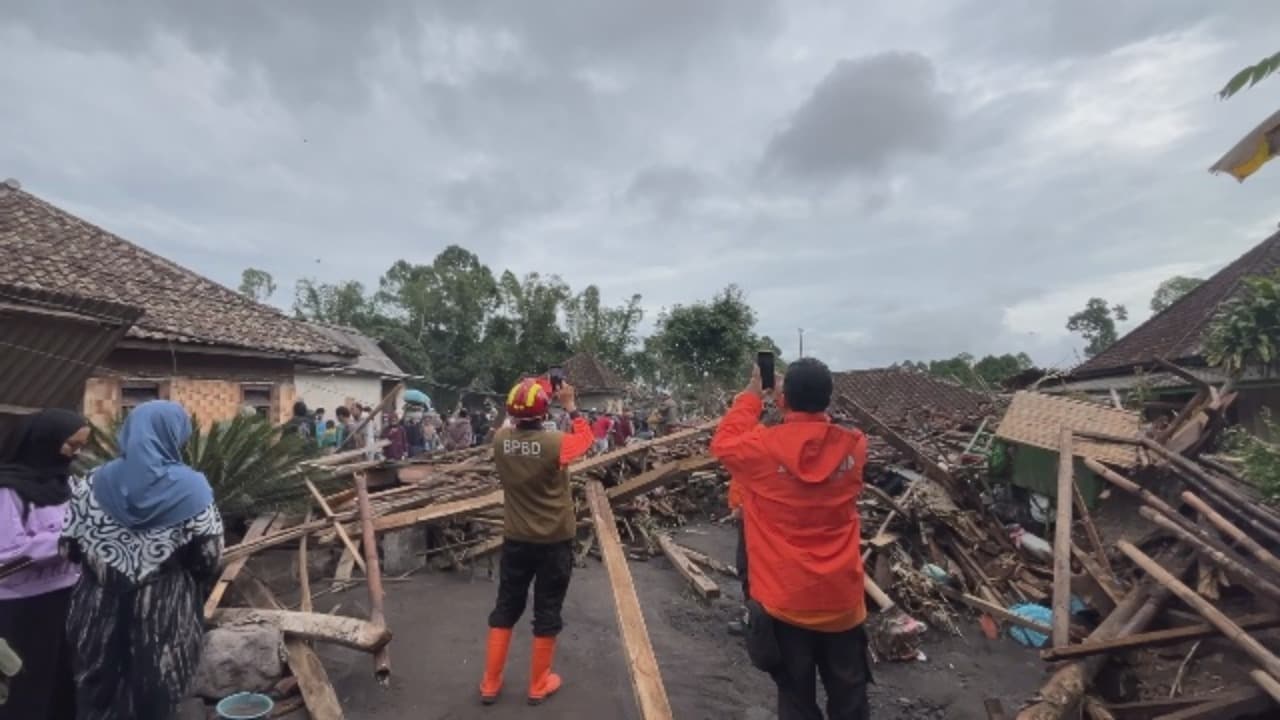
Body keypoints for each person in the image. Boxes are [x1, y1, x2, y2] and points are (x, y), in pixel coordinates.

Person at [710, 358, 870, 720]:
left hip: (785, 603)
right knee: (851, 703)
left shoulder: (760, 450)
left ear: (782, 401)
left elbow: (723, 443)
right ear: (828, 401)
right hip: (842, 602)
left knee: (797, 702)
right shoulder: (856, 447)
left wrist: (753, 395)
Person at [62, 401, 223, 720]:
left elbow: (68, 548)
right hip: (163, 612)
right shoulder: (192, 489)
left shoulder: (90, 482)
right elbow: (209, 557)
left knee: (98, 695)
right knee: (157, 694)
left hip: (97, 608)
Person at [479, 378, 593, 706]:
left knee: (506, 606)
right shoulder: (556, 443)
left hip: (516, 539)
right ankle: (538, 684)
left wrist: (528, 388)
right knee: (547, 608)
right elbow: (587, 441)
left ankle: (490, 683)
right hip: (554, 541)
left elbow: (508, 417)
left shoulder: (500, 439)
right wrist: (570, 405)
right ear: (545, 410)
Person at [0, 409, 89, 720]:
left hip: (66, 597)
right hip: (22, 606)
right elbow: (7, 554)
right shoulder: (8, 491)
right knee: (25, 688)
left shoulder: (68, 485)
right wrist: (63, 543)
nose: (75, 454)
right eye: (70, 445)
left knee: (64, 682)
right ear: (43, 442)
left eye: (80, 447)